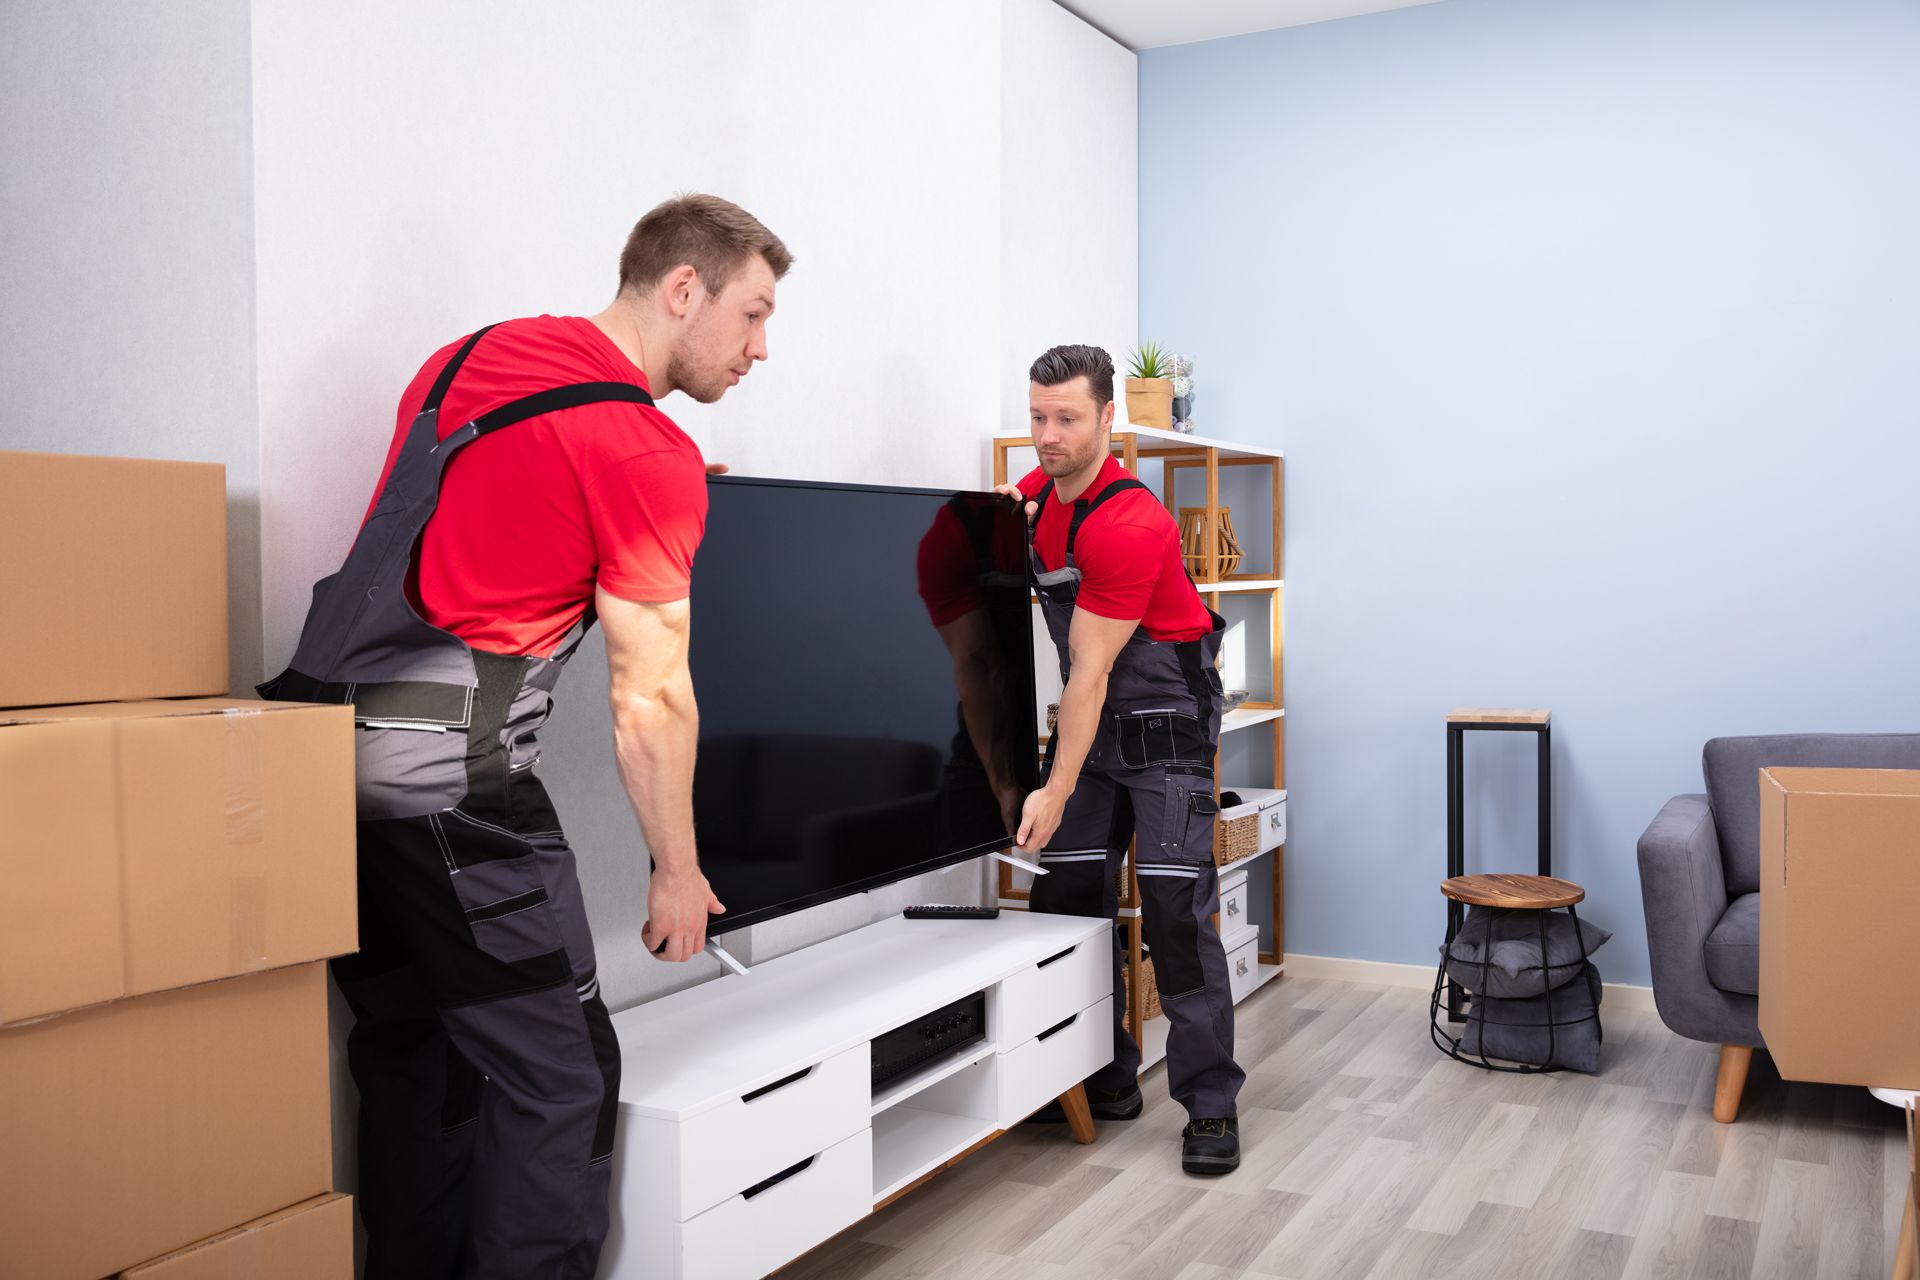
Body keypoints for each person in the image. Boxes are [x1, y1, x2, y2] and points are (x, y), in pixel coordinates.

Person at [260, 194, 791, 1277]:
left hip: (310, 761)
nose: (759, 348)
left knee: (424, 1057)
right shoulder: (644, 454)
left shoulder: (475, 355)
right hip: (449, 786)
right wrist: (678, 871)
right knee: (561, 1082)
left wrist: (650, 485)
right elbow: (651, 699)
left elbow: (487, 506)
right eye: (751, 313)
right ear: (682, 289)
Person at [1000, 343, 1246, 1176]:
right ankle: (1100, 1077)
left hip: (1164, 727)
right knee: (1069, 906)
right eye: (1037, 417)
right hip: (1093, 721)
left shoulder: (1133, 522)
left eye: (1067, 418)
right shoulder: (1040, 492)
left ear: (1110, 418)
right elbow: (1082, 685)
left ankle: (1210, 1105)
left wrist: (1053, 784)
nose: (1047, 436)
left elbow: (1092, 669)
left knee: (1175, 916)